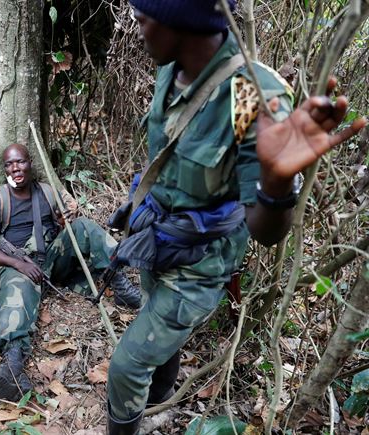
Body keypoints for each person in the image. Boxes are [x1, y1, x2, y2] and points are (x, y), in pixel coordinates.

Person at [105, 0, 368, 433]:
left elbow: (267, 232)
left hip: (198, 266)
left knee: (126, 366)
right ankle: (159, 401)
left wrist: (276, 183)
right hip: (157, 239)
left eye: (141, 19)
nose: (136, 30)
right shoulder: (170, 68)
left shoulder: (248, 95)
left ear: (179, 22)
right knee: (155, 322)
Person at [0, 143, 142, 401]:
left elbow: (63, 227)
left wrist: (65, 222)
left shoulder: (46, 192)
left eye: (20, 162)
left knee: (84, 226)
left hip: (50, 263)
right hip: (17, 267)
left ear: (30, 163)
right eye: (9, 164)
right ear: (4, 169)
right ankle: (13, 366)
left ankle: (119, 283)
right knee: (18, 287)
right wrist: (19, 264)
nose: (15, 168)